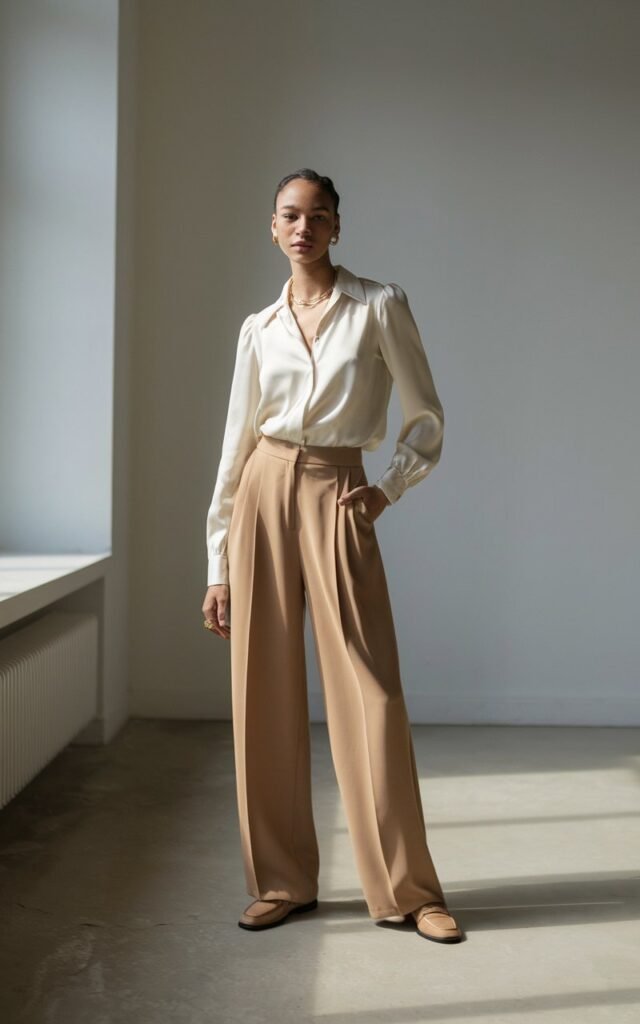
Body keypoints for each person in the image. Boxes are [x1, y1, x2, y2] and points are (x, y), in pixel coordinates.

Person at [202, 168, 463, 944]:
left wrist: (388, 488)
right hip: (260, 490)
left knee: (370, 690)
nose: (303, 227)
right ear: (273, 227)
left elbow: (427, 414)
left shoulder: (380, 306)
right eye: (290, 215)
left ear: (337, 227)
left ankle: (410, 892)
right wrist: (216, 563)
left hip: (338, 493)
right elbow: (234, 444)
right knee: (262, 691)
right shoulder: (258, 327)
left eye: (318, 215)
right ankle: (281, 881)